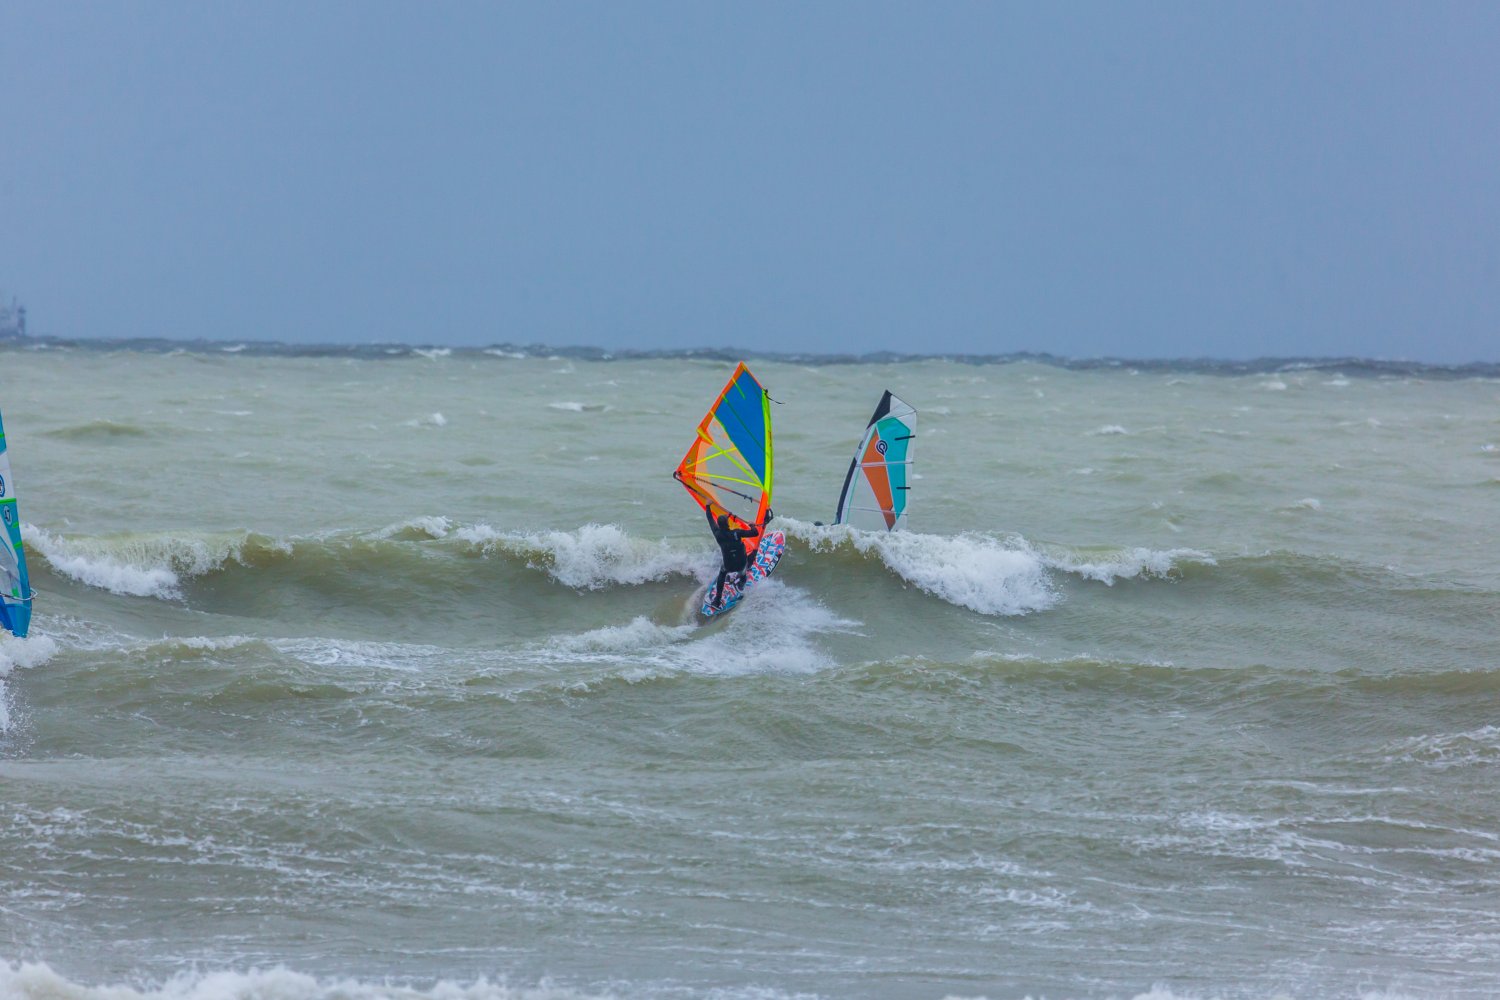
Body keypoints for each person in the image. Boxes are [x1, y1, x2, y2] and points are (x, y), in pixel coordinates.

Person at [706, 505, 772, 609]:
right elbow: (755, 533)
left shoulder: (717, 534)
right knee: (744, 570)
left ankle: (717, 601)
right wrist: (752, 525)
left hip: (728, 566)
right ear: (728, 524)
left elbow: (710, 519)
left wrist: (708, 506)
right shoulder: (737, 533)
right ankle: (741, 585)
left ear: (719, 525)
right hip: (741, 564)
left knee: (722, 574)